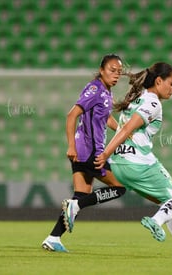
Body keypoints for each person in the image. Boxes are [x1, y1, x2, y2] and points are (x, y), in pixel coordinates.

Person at [63, 62, 172, 259]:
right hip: (138, 163)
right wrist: (104, 154)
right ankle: (155, 221)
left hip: (120, 166)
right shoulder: (153, 103)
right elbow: (127, 129)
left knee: (167, 203)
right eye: (171, 83)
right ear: (159, 81)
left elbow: (120, 126)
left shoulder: (136, 97)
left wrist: (110, 154)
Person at [41, 54, 126, 252]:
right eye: (112, 70)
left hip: (84, 150)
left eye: (119, 72)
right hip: (89, 151)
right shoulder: (95, 89)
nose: (116, 75)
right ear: (102, 70)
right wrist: (70, 145)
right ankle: (74, 206)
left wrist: (124, 132)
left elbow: (105, 118)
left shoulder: (106, 92)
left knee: (81, 194)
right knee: (120, 187)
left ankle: (53, 237)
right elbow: (72, 115)